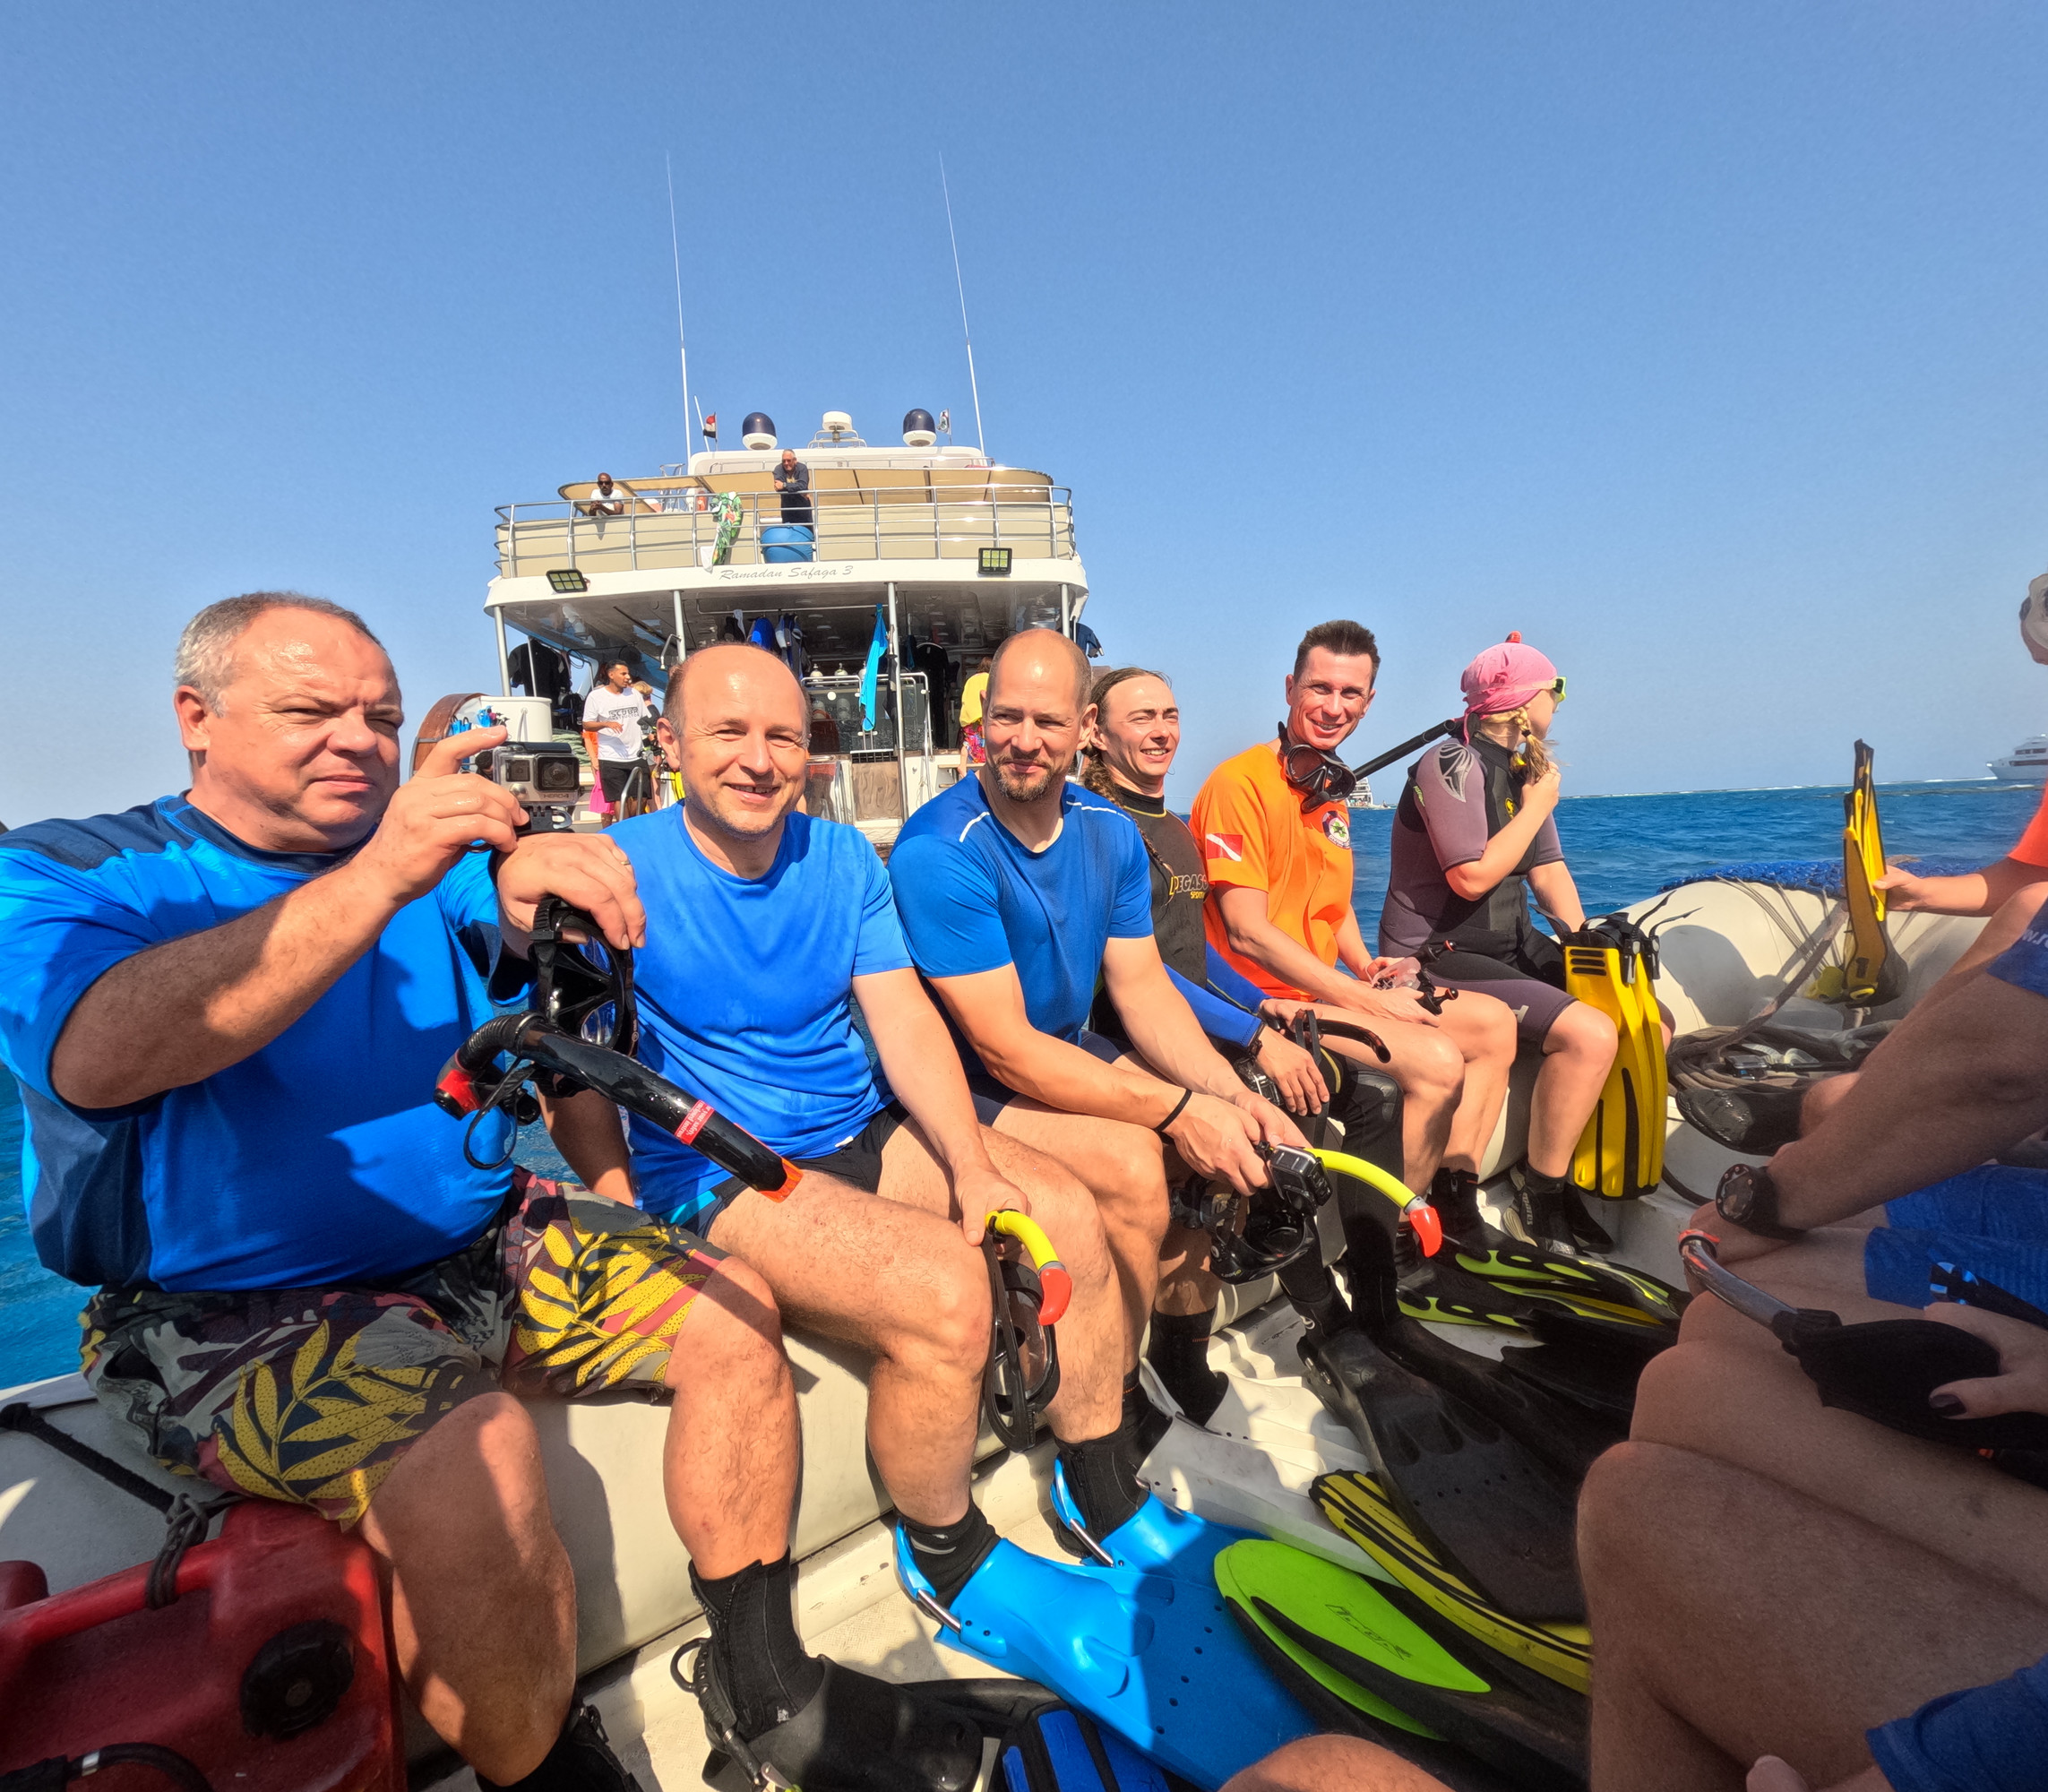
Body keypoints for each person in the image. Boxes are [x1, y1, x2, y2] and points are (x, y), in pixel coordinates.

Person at [0, 593, 928, 1792]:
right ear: (197, 717)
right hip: (218, 1308)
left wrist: (533, 885)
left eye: (382, 717)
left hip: (479, 1244)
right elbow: (98, 1053)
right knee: (472, 1451)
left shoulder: (438, 876)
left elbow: (518, 936)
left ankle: (760, 1677)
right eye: (311, 710)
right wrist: (381, 872)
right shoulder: (75, 871)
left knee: (735, 1307)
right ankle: (542, 1772)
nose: (358, 738)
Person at [536, 642, 1147, 1630]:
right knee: (946, 1293)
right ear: (671, 743)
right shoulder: (612, 874)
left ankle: (1100, 1484)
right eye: (729, 732)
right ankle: (943, 1549)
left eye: (782, 736)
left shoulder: (843, 857)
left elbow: (902, 1020)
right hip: (722, 1170)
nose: (759, 759)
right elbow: (568, 1069)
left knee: (1066, 1213)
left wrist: (971, 1163)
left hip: (859, 1126)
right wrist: (618, 1204)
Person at [890, 628, 1307, 1451]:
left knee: (1229, 1122)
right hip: (971, 1073)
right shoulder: (942, 850)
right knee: (1136, 1167)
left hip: (1063, 1042)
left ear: (1083, 728)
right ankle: (1108, 1403)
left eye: (1047, 721)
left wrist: (1229, 1096)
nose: (1023, 740)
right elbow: (1005, 1050)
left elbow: (1143, 988)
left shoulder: (1108, 831)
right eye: (1006, 717)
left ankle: (1166, 1355)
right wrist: (1179, 1109)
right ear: (982, 720)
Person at [1080, 663, 1468, 1418]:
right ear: (1096, 732)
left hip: (1214, 1016)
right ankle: (1286, 1328)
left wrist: (1266, 1007)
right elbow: (1147, 975)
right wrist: (1255, 1035)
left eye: (1169, 715)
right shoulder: (1102, 829)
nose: (1161, 731)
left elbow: (1199, 951)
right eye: (1140, 717)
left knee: (1373, 1095)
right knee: (1277, 1113)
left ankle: (1374, 1298)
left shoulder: (1172, 830)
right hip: (1145, 1032)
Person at [1189, 622, 1519, 1216]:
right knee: (1438, 1061)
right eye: (1319, 688)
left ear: (1369, 702)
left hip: (1325, 990)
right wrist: (1360, 999)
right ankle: (1395, 1236)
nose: (1333, 707)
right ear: (1290, 688)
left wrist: (1366, 966)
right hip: (1265, 1003)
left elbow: (1332, 903)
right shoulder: (1239, 784)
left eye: (1350, 694)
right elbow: (1245, 931)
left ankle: (1455, 1207)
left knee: (1495, 1026)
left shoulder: (1329, 791)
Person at [1373, 634, 1623, 1254]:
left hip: (1508, 943)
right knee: (1589, 1034)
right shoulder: (1448, 764)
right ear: (1524, 700)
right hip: (1437, 952)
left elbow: (1548, 872)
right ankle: (1541, 1197)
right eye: (1556, 690)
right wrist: (1538, 804)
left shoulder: (1523, 771)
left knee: (1640, 1014)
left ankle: (1562, 1176)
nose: (1559, 702)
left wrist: (1584, 940)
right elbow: (1471, 876)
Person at [581, 659, 651, 822]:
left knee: (642, 797)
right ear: (611, 675)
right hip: (611, 756)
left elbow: (646, 719)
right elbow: (587, 724)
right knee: (620, 798)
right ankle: (624, 829)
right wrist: (606, 723)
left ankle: (632, 824)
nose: (628, 677)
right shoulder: (596, 696)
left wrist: (653, 737)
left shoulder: (634, 694)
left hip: (636, 754)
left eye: (628, 673)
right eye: (623, 674)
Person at [958, 655, 992, 767]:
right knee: (986, 742)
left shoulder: (970, 680)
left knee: (969, 741)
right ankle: (984, 767)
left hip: (967, 716)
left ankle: (962, 765)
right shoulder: (989, 678)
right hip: (980, 716)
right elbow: (987, 696)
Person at [771, 448, 812, 530]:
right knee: (788, 531)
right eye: (784, 461)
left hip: (803, 508)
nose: (786, 463)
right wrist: (798, 490)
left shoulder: (802, 468)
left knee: (806, 532)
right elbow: (779, 488)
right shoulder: (778, 469)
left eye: (789, 460)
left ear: (795, 460)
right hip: (787, 508)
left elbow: (803, 485)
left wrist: (785, 485)